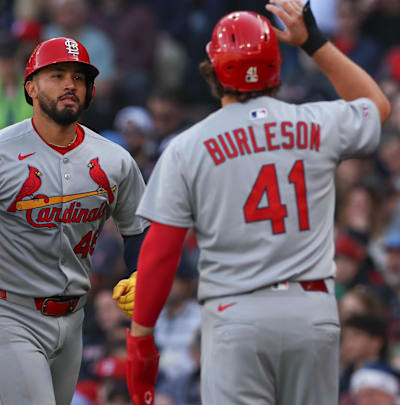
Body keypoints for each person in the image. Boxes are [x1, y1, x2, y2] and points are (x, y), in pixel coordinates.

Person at [124, 1, 392, 405]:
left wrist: (141, 336)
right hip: (312, 310)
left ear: (213, 70)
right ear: (275, 67)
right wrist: (313, 42)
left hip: (236, 313)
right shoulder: (318, 122)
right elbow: (377, 103)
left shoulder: (188, 146)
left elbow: (162, 251)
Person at [0, 37, 148, 405]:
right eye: (56, 75)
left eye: (79, 77)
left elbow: (140, 230)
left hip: (73, 319)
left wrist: (141, 275)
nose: (70, 84)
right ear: (31, 87)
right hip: (5, 313)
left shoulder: (114, 160)